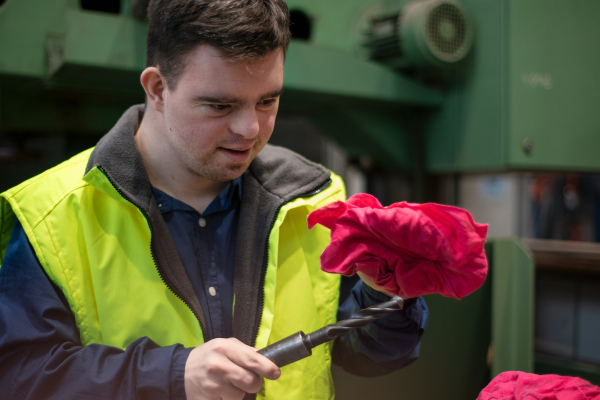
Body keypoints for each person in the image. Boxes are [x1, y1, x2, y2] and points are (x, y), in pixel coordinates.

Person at [0, 1, 428, 399]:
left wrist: (384, 292)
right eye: (220, 105)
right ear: (157, 89)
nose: (249, 129)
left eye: (268, 101)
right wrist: (172, 375)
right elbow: (19, 375)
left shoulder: (314, 201)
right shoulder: (53, 216)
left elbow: (370, 355)